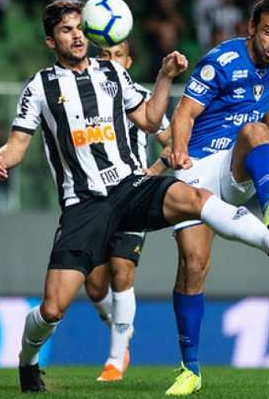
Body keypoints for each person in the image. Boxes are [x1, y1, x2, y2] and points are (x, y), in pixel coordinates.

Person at [0, 0, 269, 394]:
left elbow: (153, 121)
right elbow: (18, 145)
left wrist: (164, 76)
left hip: (129, 186)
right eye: (67, 30)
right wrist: (0, 157)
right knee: (53, 308)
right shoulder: (39, 87)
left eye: (80, 28)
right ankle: (27, 361)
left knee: (193, 198)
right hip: (84, 204)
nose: (77, 36)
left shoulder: (112, 74)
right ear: (52, 41)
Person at [164, 0, 269, 395]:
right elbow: (184, 114)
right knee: (193, 266)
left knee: (253, 131)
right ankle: (190, 368)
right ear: (252, 27)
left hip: (234, 167)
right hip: (196, 166)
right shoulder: (221, 61)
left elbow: (260, 106)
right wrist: (179, 152)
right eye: (267, 31)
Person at [84, 41, 171, 382]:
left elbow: (171, 142)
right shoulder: (84, 96)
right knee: (94, 287)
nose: (111, 61)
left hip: (133, 192)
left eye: (117, 55)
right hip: (94, 199)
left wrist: (154, 170)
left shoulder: (142, 96)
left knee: (122, 268)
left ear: (129, 61)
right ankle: (121, 328)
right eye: (104, 55)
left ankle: (115, 360)